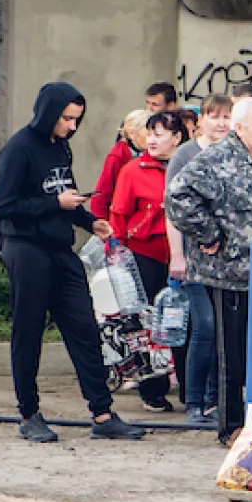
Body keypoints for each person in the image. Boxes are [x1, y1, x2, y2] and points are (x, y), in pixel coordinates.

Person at [0, 81, 146, 443]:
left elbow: (67, 197)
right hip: (25, 248)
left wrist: (89, 221)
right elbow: (5, 206)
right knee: (28, 332)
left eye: (76, 120)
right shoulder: (19, 148)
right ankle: (29, 414)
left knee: (85, 329)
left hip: (60, 250)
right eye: (66, 119)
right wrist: (54, 205)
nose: (72, 127)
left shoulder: (60, 148)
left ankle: (103, 413)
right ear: (48, 113)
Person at [164, 96, 252, 445]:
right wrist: (209, 234)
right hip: (226, 270)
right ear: (238, 126)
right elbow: (177, 196)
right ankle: (230, 427)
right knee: (229, 352)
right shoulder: (217, 158)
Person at [109, 110, 186, 411]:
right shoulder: (133, 170)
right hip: (145, 255)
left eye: (159, 134)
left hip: (183, 256)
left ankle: (189, 389)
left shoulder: (189, 166)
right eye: (149, 134)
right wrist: (118, 254)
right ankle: (152, 388)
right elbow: (119, 215)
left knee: (183, 321)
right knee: (147, 323)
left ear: (177, 138)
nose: (151, 140)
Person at [165, 93, 232, 426]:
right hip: (193, 259)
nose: (220, 122)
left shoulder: (233, 154)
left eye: (225, 116)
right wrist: (177, 255)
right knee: (203, 327)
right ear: (200, 119)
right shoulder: (185, 155)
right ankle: (193, 402)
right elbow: (172, 209)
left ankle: (214, 401)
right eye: (213, 116)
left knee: (223, 330)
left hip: (227, 263)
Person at [87, 109, 149, 222]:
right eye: (148, 131)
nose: (152, 136)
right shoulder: (118, 156)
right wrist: (103, 223)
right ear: (132, 133)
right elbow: (102, 192)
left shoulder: (148, 152)